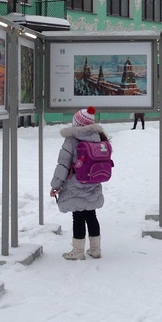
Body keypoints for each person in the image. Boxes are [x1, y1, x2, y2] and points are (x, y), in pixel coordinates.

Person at [50, 106, 107, 260]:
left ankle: (77, 251)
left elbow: (63, 165)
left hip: (75, 184)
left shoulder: (71, 140)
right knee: (91, 215)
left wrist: (56, 185)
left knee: (78, 217)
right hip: (93, 183)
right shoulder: (98, 138)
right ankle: (95, 249)